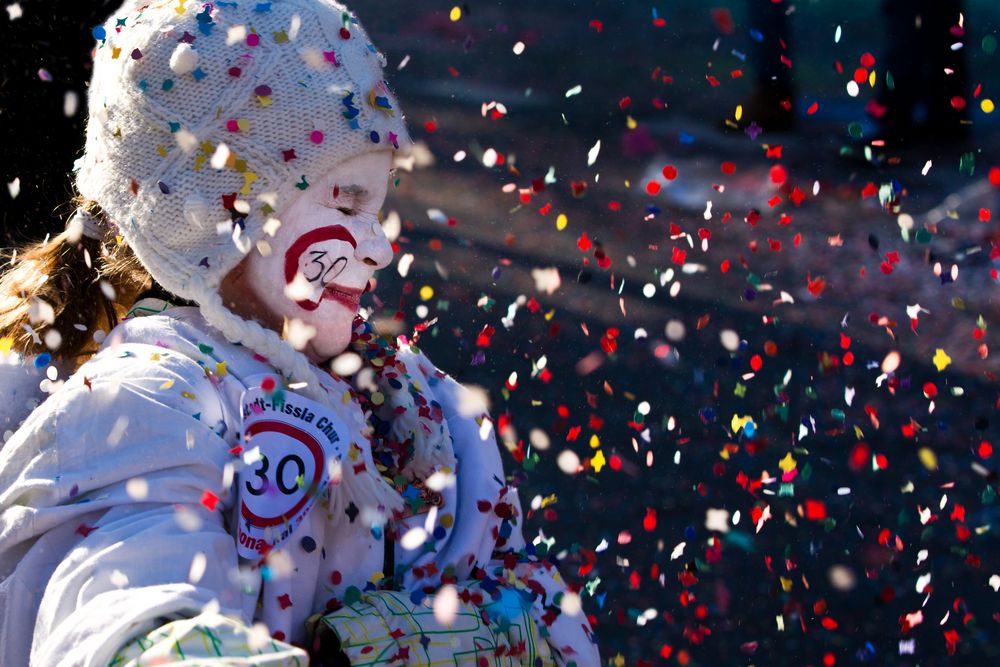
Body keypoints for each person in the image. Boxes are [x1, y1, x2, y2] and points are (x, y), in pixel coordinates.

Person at [0, 1, 601, 665]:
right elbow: (123, 624)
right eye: (346, 202)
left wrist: (457, 635)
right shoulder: (141, 411)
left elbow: (537, 602)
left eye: (380, 204)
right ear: (221, 212)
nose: (377, 246)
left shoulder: (412, 404)